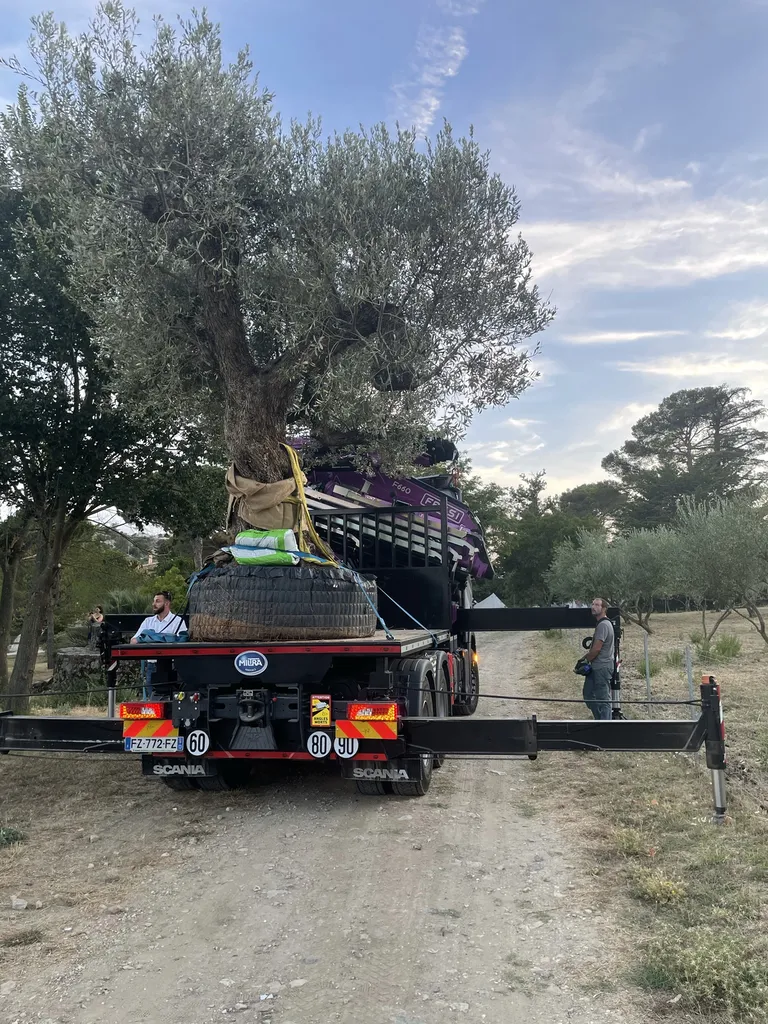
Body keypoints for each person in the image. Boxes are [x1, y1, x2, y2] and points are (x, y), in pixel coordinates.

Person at [131, 591, 186, 695]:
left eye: (157, 601)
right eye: (154, 601)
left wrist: (151, 637)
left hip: (173, 666)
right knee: (152, 699)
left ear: (167, 604)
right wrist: (148, 637)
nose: (154, 604)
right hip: (152, 666)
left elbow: (182, 641)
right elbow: (133, 641)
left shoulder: (178, 621)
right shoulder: (148, 621)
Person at [582, 597, 614, 721]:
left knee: (603, 699)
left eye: (597, 605)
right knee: (588, 694)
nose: (593, 607)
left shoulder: (604, 625)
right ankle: (600, 719)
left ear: (604, 608)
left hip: (602, 667)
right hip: (596, 666)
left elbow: (596, 649)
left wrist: (584, 660)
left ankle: (606, 726)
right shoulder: (601, 624)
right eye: (592, 604)